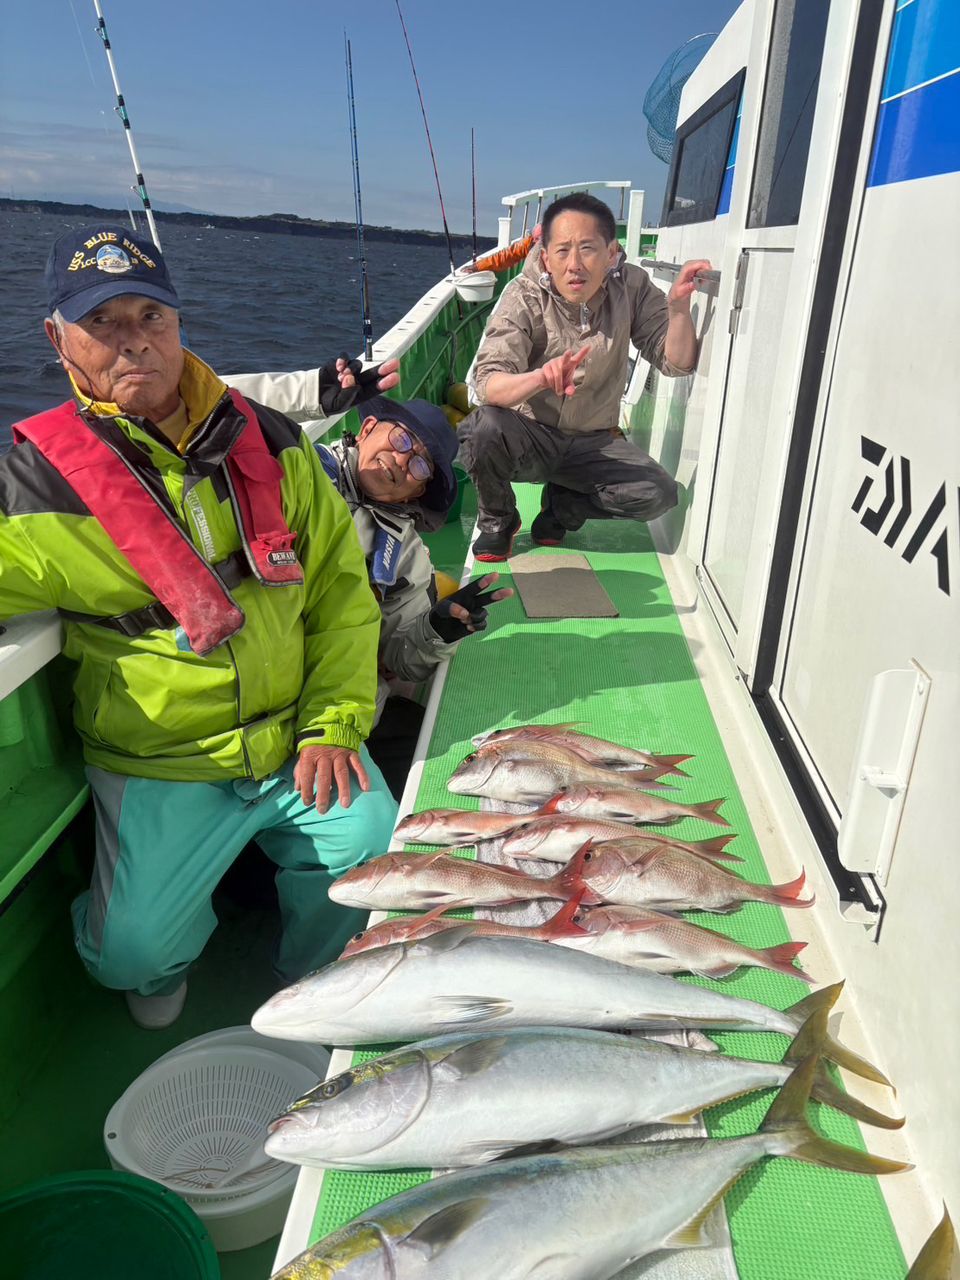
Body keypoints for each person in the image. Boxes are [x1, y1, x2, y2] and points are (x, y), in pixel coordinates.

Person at [0, 224, 397, 1029]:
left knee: (374, 858)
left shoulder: (276, 444)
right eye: (102, 322)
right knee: (131, 955)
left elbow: (342, 599)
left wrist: (333, 727)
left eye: (152, 316)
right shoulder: (31, 485)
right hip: (161, 762)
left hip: (296, 737)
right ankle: (158, 960)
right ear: (57, 337)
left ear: (181, 323)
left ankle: (311, 977)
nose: (133, 342)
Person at [226, 367, 514, 797]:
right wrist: (309, 391)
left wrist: (440, 628)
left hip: (339, 716)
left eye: (419, 465)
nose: (401, 460)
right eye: (401, 440)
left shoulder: (407, 553)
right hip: (248, 695)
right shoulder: (291, 466)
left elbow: (401, 661)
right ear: (366, 428)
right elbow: (211, 402)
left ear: (415, 494)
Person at [457, 191, 710, 561]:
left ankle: (564, 508)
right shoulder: (523, 295)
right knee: (482, 429)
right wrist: (540, 378)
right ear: (545, 257)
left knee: (658, 494)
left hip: (593, 441)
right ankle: (498, 519)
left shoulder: (633, 287)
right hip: (532, 435)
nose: (574, 264)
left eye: (588, 248)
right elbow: (489, 383)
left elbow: (676, 362)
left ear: (611, 254)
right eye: (562, 251)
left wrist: (677, 310)